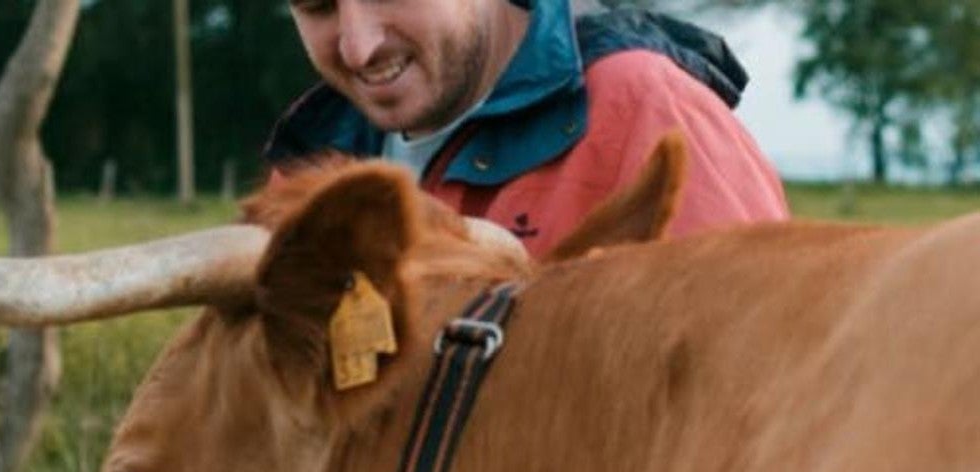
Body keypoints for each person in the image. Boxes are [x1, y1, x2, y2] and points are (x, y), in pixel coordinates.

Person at [264, 0, 789, 259]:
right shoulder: (311, 164)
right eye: (318, 6)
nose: (359, 46)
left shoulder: (648, 113)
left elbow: (758, 402)